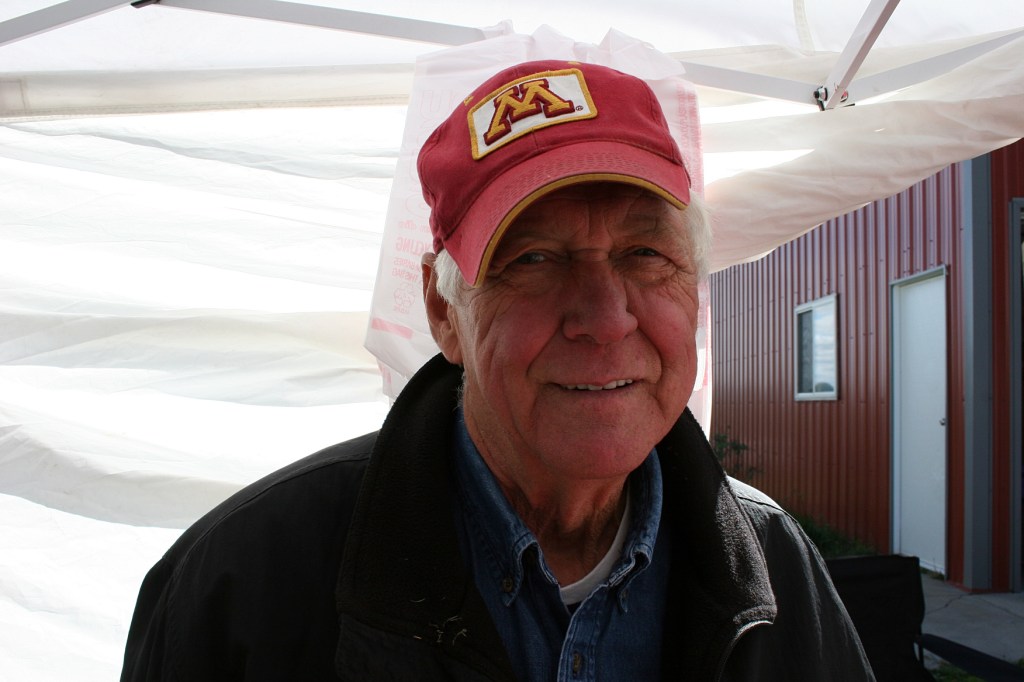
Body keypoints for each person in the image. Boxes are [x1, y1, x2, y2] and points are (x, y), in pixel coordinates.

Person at [121, 60, 874, 681]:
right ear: (444, 312)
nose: (606, 317)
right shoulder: (246, 581)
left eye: (646, 255)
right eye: (534, 260)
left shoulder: (774, 568)